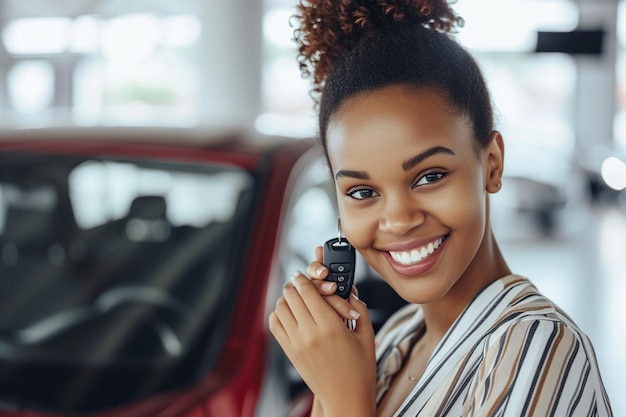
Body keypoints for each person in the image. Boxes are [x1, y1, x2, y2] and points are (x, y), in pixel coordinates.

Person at [268, 0, 614, 416]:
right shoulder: (396, 337)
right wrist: (325, 382)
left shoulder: (537, 348)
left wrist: (345, 400)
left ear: (491, 165)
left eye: (429, 176)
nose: (397, 220)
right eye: (362, 192)